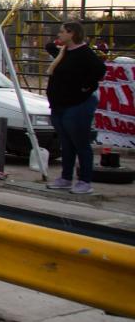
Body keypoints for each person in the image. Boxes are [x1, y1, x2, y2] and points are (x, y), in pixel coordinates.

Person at [44, 22, 108, 195]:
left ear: (72, 34)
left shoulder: (84, 53)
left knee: (81, 144)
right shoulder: (65, 53)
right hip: (59, 105)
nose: (59, 34)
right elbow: (57, 57)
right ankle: (66, 177)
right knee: (66, 144)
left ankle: (85, 181)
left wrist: (86, 87)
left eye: (62, 32)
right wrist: (53, 47)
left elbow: (99, 70)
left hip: (76, 105)